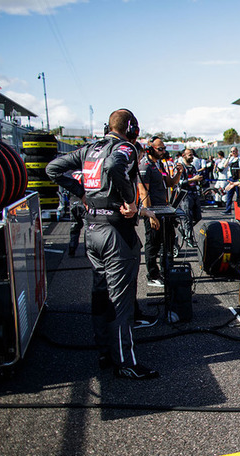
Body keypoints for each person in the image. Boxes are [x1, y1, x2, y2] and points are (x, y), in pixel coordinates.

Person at [46, 108, 159, 379]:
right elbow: (113, 166)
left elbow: (53, 169)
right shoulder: (126, 148)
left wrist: (82, 193)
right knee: (120, 300)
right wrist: (131, 200)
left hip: (92, 230)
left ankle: (105, 351)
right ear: (131, 127)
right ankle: (126, 363)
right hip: (115, 234)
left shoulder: (89, 149)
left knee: (100, 293)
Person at [139, 136, 178, 287]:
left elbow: (170, 183)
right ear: (150, 149)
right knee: (153, 244)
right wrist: (150, 215)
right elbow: (144, 193)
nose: (163, 151)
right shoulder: (145, 165)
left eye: (164, 149)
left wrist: (178, 173)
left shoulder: (159, 164)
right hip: (153, 211)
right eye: (160, 149)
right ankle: (152, 275)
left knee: (168, 240)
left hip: (164, 209)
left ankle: (166, 271)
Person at [175, 149, 201, 246]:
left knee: (198, 217)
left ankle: (184, 230)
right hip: (185, 195)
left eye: (192, 155)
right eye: (190, 155)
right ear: (183, 155)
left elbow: (194, 179)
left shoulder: (193, 167)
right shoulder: (180, 167)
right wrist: (193, 179)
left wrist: (197, 180)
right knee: (187, 218)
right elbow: (180, 183)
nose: (192, 157)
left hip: (194, 193)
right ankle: (188, 238)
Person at [223, 146, 240, 215]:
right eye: (231, 151)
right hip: (231, 178)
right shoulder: (231, 159)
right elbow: (225, 165)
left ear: (237, 151)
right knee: (229, 195)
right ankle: (228, 209)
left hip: (237, 178)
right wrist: (228, 157)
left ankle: (239, 211)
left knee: (238, 196)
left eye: (234, 151)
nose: (233, 153)